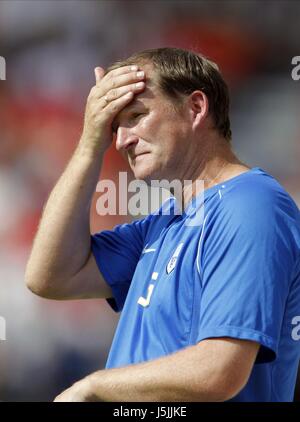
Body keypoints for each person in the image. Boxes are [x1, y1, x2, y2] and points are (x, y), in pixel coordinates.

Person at [25, 47, 300, 402]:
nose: (121, 140)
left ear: (196, 108)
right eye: (113, 126)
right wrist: (89, 144)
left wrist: (95, 387)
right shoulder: (166, 221)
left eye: (137, 115)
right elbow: (50, 276)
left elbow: (219, 370)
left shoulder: (251, 205)